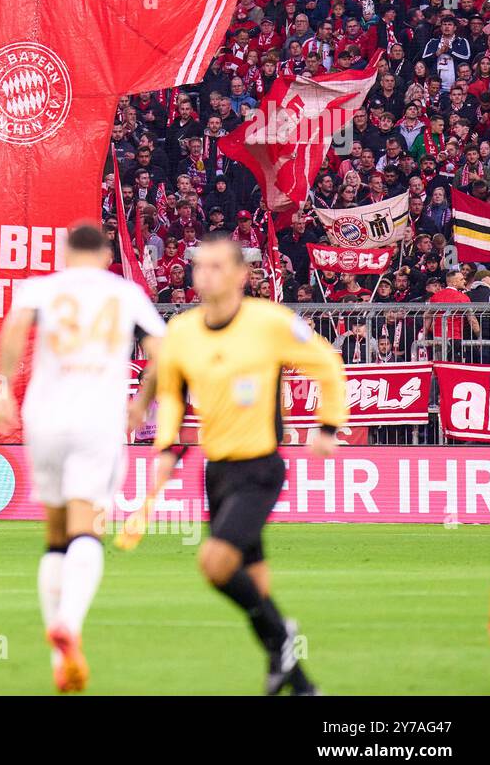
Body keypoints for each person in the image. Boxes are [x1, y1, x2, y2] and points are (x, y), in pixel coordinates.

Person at [148, 236, 346, 695]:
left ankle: (284, 639)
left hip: (259, 468)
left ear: (241, 275)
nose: (207, 274)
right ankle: (300, 682)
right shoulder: (182, 329)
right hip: (215, 472)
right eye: (200, 266)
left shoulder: (269, 322)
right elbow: (173, 396)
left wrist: (329, 426)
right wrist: (165, 450)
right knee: (256, 587)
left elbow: (326, 363)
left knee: (215, 564)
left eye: (218, 266)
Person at [0, 224, 165, 693]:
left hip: (43, 418)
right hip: (96, 421)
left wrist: (2, 388)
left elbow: (14, 328)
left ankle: (56, 658)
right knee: (85, 525)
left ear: (66, 253)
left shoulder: (41, 287)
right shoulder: (125, 293)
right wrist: (141, 402)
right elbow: (161, 355)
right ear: (107, 254)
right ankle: (69, 622)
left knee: (54, 530)